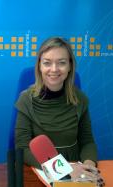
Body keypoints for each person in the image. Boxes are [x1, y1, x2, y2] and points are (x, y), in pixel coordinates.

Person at [15, 37, 104, 185]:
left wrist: (88, 167)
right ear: (39, 67)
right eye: (47, 63)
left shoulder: (80, 99)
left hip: (76, 169)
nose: (54, 69)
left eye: (61, 63)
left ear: (70, 66)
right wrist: (64, 170)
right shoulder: (26, 100)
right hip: (41, 169)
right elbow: (22, 147)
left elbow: (87, 141)